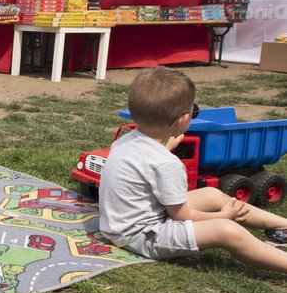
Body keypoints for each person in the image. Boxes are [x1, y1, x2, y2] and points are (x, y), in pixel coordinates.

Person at [98, 67, 287, 274]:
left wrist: (164, 148)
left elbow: (147, 164)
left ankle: (282, 225)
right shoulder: (166, 163)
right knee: (227, 231)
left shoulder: (127, 141)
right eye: (193, 110)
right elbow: (181, 216)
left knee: (211, 194)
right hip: (142, 236)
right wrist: (224, 216)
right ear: (183, 120)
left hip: (119, 224)